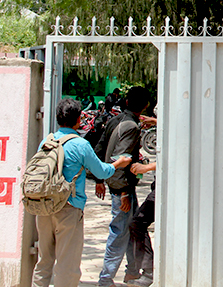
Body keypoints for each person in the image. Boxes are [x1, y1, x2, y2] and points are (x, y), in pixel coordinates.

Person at [31, 98, 131, 287]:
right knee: (67, 264)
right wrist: (119, 163)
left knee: (44, 261)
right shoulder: (80, 144)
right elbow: (101, 172)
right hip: (68, 208)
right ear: (78, 119)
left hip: (43, 207)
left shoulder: (47, 141)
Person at [93, 86, 152, 287]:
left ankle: (132, 271)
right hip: (122, 189)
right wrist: (124, 192)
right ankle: (106, 279)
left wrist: (100, 179)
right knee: (119, 232)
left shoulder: (115, 120)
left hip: (118, 185)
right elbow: (122, 159)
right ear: (145, 106)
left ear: (126, 102)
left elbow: (100, 149)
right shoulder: (131, 127)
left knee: (132, 228)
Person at [127, 160, 157, 287]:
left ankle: (149, 272)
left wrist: (147, 167)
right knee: (137, 224)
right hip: (161, 185)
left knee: (137, 224)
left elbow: (172, 157)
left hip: (168, 187)